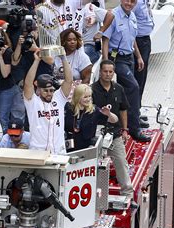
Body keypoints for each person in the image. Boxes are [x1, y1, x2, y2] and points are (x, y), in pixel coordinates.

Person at [101, 0, 150, 142]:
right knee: (133, 87)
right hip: (117, 59)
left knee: (127, 92)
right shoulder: (113, 16)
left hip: (130, 57)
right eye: (127, 0)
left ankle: (126, 123)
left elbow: (132, 38)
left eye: (132, 1)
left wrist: (139, 57)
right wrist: (106, 63)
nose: (129, 3)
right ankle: (135, 129)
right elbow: (105, 40)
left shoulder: (132, 16)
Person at [92, 60, 135, 199]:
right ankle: (94, 196)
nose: (108, 74)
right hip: (97, 136)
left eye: (111, 72)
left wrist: (124, 129)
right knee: (95, 167)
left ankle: (128, 195)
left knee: (122, 163)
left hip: (115, 134)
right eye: (105, 71)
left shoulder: (119, 89)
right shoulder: (92, 89)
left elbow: (123, 110)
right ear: (100, 72)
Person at [23, 50, 73, 154]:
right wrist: (37, 61)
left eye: (51, 90)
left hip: (58, 151)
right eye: (45, 91)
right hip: (38, 152)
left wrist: (63, 58)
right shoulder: (33, 102)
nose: (49, 93)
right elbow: (28, 84)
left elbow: (69, 81)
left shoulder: (58, 98)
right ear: (38, 90)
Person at [64, 84, 118, 151]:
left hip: (86, 149)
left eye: (89, 96)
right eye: (85, 97)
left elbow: (115, 120)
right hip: (68, 147)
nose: (88, 99)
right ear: (77, 97)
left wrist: (109, 114)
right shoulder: (68, 108)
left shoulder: (94, 110)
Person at [133, 0, 154, 104]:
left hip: (145, 40)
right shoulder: (135, 3)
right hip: (138, 41)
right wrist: (138, 55)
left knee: (143, 76)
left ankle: (138, 106)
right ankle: (135, 108)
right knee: (139, 76)